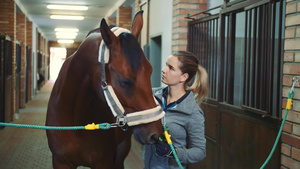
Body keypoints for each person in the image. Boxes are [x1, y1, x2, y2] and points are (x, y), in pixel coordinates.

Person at [143, 51, 209, 169]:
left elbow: (200, 151)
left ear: (184, 77)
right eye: (166, 65)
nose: (163, 70)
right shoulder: (151, 97)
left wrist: (173, 153)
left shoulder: (193, 112)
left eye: (171, 68)